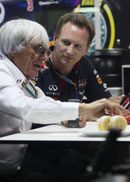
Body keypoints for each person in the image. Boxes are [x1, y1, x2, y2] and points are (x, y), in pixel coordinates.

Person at [0, 19, 123, 181]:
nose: (45, 57)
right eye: (38, 49)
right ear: (13, 48)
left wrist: (92, 114)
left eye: (45, 50)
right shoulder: (2, 73)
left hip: (15, 168)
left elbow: (47, 104)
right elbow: (27, 108)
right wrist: (83, 108)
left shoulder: (25, 81)